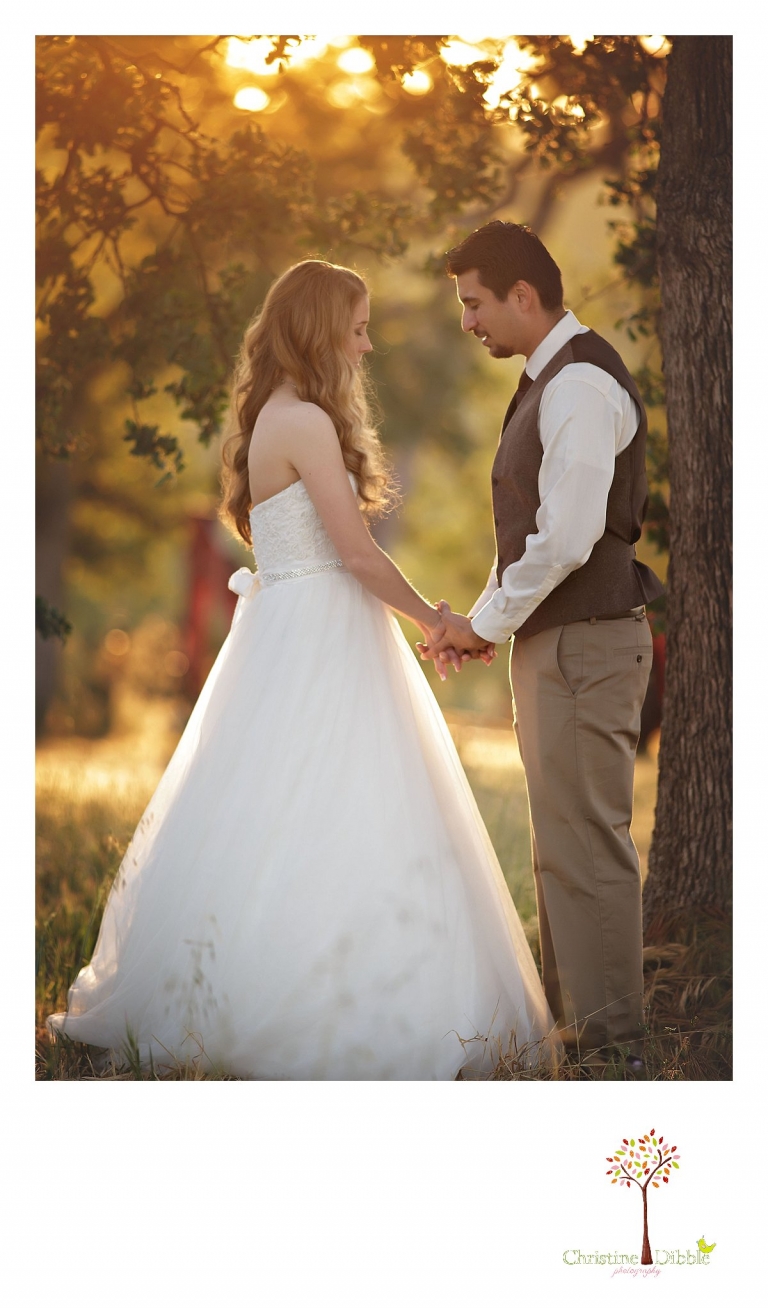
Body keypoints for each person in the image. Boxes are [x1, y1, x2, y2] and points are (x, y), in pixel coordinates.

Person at [48, 258, 557, 1081]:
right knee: (341, 799)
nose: (363, 346)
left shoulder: (272, 419)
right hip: (321, 625)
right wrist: (439, 620)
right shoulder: (306, 425)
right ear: (321, 330)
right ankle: (327, 997)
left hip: (291, 624)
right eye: (355, 329)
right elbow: (355, 554)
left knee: (294, 803)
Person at [419, 222, 664, 1075]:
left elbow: (566, 538)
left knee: (588, 842)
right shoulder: (546, 382)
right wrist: (487, 620)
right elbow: (529, 533)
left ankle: (613, 1044)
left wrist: (485, 623)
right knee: (559, 841)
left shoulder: (580, 384)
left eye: (475, 302)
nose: (469, 321)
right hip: (562, 645)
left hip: (591, 646)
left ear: (524, 296)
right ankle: (579, 1031)